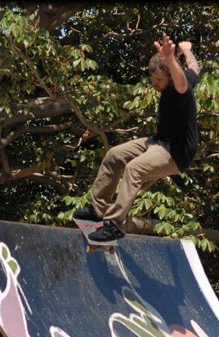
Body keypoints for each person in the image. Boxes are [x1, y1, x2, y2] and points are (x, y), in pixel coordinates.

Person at [74, 33, 201, 242]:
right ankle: (98, 209)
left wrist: (170, 57)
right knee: (114, 155)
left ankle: (115, 224)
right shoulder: (186, 77)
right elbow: (195, 68)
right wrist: (187, 50)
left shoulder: (181, 89)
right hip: (158, 141)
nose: (155, 84)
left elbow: (180, 81)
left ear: (170, 76)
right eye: (153, 79)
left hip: (176, 152)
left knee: (134, 169)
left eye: (159, 80)